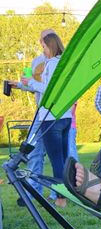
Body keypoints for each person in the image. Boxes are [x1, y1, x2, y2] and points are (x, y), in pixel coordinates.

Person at [21, 32, 72, 207]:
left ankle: (61, 198)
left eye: (43, 46)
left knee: (56, 159)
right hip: (65, 116)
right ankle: (69, 192)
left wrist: (30, 83)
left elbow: (48, 89)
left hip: (51, 118)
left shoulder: (51, 64)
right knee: (64, 158)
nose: (43, 50)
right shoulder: (64, 63)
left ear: (50, 46)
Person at [9, 29, 51, 201]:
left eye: (49, 39)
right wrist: (19, 85)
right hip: (40, 112)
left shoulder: (60, 61)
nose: (45, 42)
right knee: (33, 149)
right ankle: (34, 192)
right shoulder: (36, 62)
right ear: (40, 41)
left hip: (57, 113)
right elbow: (33, 86)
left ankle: (60, 194)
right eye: (43, 39)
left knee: (61, 154)